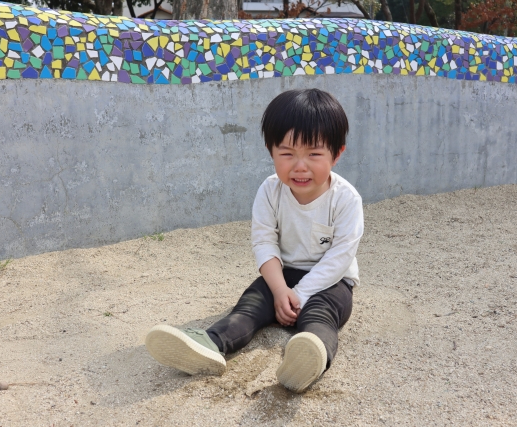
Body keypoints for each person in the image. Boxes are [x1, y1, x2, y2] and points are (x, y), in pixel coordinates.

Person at [145, 88, 364, 393]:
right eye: (287, 153)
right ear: (271, 151)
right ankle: (210, 344)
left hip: (332, 283)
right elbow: (264, 242)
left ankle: (309, 355)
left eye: (314, 154)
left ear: (336, 154)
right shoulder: (270, 191)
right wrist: (280, 291)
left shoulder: (346, 199)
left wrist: (300, 294)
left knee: (319, 316)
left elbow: (340, 257)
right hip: (281, 275)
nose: (300, 166)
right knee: (249, 306)